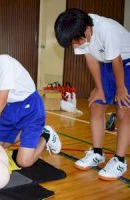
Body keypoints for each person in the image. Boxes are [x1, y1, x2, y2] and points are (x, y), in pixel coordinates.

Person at [54, 8, 129, 180]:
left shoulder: (106, 29)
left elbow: (117, 60)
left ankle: (119, 161)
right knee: (96, 104)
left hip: (126, 62)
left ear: (88, 29)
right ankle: (97, 153)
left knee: (124, 110)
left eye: (77, 41)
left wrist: (121, 88)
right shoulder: (78, 33)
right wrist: (99, 88)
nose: (77, 45)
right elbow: (91, 58)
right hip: (108, 64)